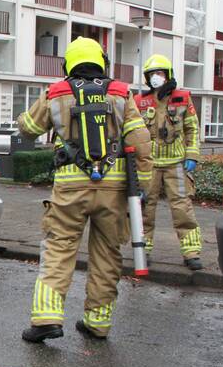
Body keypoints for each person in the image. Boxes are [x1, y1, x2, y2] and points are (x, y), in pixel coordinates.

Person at [18, 37, 153, 342]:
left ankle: (47, 319)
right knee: (107, 254)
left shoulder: (56, 92)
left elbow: (28, 129)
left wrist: (24, 118)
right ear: (102, 62)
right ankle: (98, 322)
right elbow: (141, 142)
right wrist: (142, 187)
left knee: (59, 248)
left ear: (68, 64)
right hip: (114, 191)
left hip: (70, 189)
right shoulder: (121, 93)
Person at [134, 54, 204, 271]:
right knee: (145, 208)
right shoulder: (139, 101)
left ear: (168, 75)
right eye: (152, 74)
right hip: (149, 165)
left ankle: (191, 252)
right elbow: (133, 132)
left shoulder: (182, 98)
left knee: (182, 208)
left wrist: (192, 155)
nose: (156, 77)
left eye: (159, 73)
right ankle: (143, 250)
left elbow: (192, 129)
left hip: (177, 165)